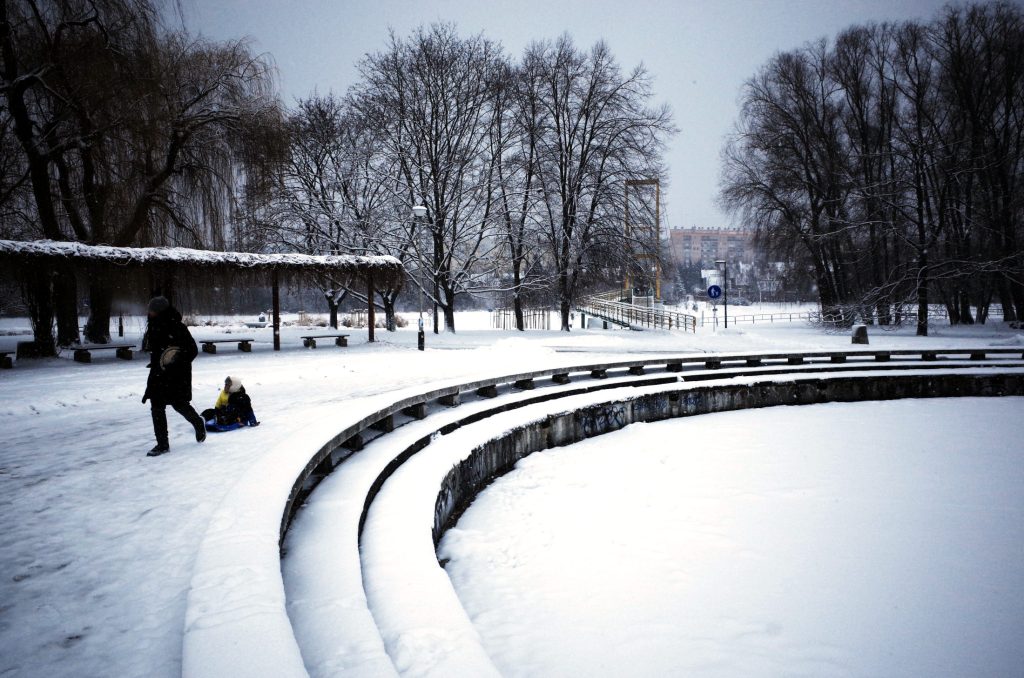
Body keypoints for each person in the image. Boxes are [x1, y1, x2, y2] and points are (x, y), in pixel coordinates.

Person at [141, 296, 206, 456]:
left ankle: (198, 422)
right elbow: (156, 350)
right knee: (156, 406)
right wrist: (157, 361)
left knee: (179, 404)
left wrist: (175, 361)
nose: (149, 313)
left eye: (152, 310)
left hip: (176, 375)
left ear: (160, 311)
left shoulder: (177, 327)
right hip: (158, 373)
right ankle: (162, 444)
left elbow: (192, 350)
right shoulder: (153, 326)